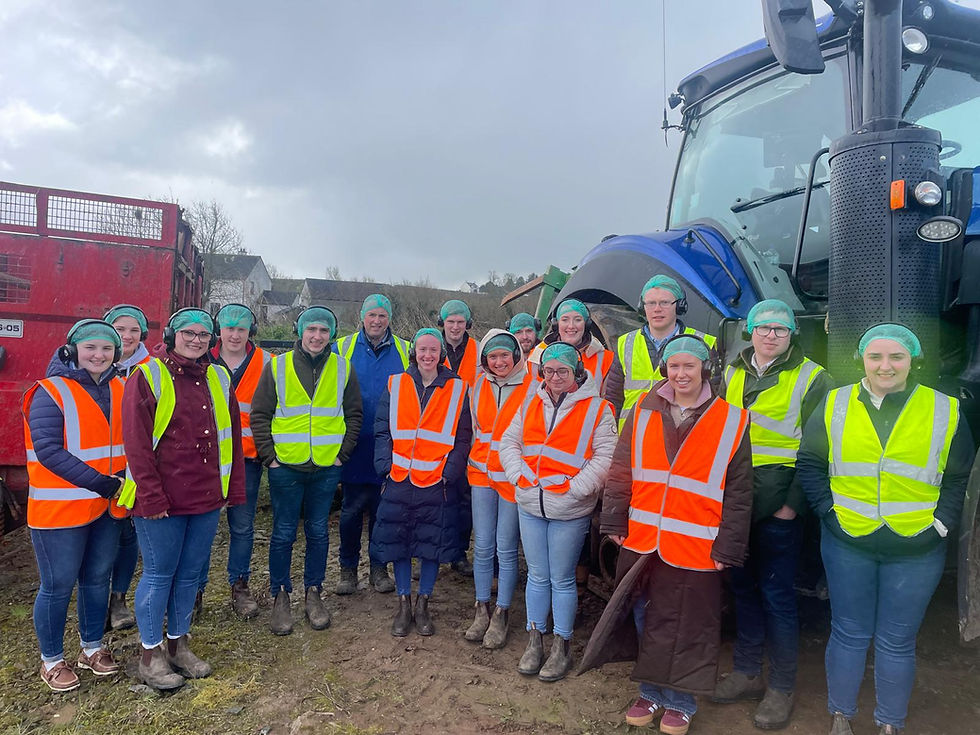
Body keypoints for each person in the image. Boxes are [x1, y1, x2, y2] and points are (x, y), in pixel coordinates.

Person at [796, 324, 973, 735]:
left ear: (913, 360)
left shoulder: (944, 408)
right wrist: (828, 512)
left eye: (896, 357)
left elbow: (959, 475)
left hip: (917, 546)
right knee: (849, 632)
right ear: (862, 359)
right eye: (876, 356)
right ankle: (842, 715)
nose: (885, 365)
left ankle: (889, 723)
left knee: (897, 641)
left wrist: (942, 524)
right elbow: (810, 462)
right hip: (848, 541)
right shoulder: (834, 403)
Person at [580, 335, 753, 735]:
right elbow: (621, 470)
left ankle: (681, 701)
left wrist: (730, 544)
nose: (680, 374)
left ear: (704, 369)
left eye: (688, 366)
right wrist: (614, 523)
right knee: (644, 615)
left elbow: (740, 490)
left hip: (698, 542)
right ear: (665, 370)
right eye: (674, 367)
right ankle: (650, 691)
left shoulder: (731, 419)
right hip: (643, 538)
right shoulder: (642, 409)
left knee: (690, 624)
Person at [712, 299, 834, 730]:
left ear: (791, 335)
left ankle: (781, 686)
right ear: (750, 331)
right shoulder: (729, 372)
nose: (771, 335)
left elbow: (818, 449)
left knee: (778, 597)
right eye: (763, 328)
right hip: (735, 500)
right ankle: (747, 673)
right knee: (742, 590)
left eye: (780, 330)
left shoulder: (813, 377)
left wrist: (791, 506)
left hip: (779, 502)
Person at [120, 308, 246, 690]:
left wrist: (232, 490)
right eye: (189, 333)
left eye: (204, 335)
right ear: (173, 334)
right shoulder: (147, 376)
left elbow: (232, 441)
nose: (196, 340)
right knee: (159, 575)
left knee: (190, 574)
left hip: (206, 495)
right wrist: (151, 497)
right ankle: (150, 653)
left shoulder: (219, 376)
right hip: (162, 499)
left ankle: (179, 644)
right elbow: (137, 446)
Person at [498, 342, 617, 682]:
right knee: (537, 575)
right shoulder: (531, 400)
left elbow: (605, 458)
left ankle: (561, 644)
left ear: (577, 372)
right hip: (530, 502)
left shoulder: (598, 409)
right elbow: (509, 442)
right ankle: (535, 639)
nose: (555, 377)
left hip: (569, 507)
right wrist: (518, 476)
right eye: (549, 371)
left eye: (562, 371)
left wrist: (575, 488)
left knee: (562, 579)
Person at [23, 319, 127, 691]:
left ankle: (91, 647)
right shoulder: (49, 392)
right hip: (61, 511)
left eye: (107, 349)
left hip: (106, 507)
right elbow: (49, 451)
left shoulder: (121, 386)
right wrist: (104, 484)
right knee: (58, 585)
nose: (99, 355)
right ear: (72, 351)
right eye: (91, 348)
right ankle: (51, 659)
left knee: (97, 580)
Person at [250, 305, 362, 636]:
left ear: (332, 334)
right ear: (300, 331)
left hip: (327, 468)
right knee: (283, 533)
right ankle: (281, 595)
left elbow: (354, 414)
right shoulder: (278, 366)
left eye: (324, 331)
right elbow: (260, 414)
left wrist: (342, 455)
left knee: (318, 531)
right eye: (311, 329)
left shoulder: (343, 368)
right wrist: (269, 457)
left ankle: (314, 592)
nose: (317, 336)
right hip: (285, 467)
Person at [371, 328, 472, 637]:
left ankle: (423, 603)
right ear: (413, 352)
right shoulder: (396, 383)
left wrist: (450, 472)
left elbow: (463, 435)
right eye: (422, 350)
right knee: (400, 544)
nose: (427, 355)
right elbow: (382, 428)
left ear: (441, 354)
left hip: (436, 482)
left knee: (431, 547)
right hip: (399, 478)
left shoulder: (457, 388)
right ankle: (404, 603)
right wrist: (385, 465)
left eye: (433, 350)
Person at [196, 303, 270, 618]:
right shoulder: (200, 359)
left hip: (246, 460)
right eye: (229, 329)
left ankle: (239, 586)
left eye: (241, 329)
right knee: (201, 529)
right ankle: (194, 590)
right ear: (220, 331)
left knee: (242, 527)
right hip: (205, 460)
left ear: (249, 331)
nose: (235, 335)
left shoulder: (267, 363)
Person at [334, 294, 409, 595]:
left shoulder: (405, 349)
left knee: (383, 510)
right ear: (361, 316)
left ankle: (379, 568)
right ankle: (347, 569)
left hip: (390, 445)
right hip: (353, 443)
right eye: (371, 315)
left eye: (382, 315)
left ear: (389, 318)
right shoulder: (342, 347)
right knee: (351, 511)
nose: (376, 321)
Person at [463, 329, 534, 649]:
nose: (500, 361)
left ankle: (502, 612)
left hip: (510, 478)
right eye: (493, 356)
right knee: (483, 546)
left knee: (506, 548)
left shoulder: (532, 386)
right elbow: (477, 428)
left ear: (516, 355)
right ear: (485, 360)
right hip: (480, 473)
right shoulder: (478, 385)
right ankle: (481, 608)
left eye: (505, 355)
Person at [606, 274, 721, 429]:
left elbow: (713, 398)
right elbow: (614, 398)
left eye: (665, 303)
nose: (657, 309)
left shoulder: (703, 343)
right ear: (642, 306)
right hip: (633, 435)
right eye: (651, 303)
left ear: (679, 305)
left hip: (680, 435)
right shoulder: (625, 343)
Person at [104, 303, 152, 631]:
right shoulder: (92, 364)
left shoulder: (152, 368)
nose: (128, 336)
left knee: (126, 535)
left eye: (134, 330)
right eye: (121, 329)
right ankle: (94, 599)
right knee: (98, 536)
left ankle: (118, 599)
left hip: (134, 466)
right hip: (95, 468)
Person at [438, 298, 478, 574]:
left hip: (468, 431)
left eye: (460, 322)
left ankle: (458, 552)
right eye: (450, 322)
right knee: (434, 497)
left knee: (464, 498)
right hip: (436, 432)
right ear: (442, 324)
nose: (455, 327)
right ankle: (431, 551)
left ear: (467, 324)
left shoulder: (478, 350)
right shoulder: (431, 347)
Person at [528, 299, 614, 396]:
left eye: (578, 320)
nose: (571, 326)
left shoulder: (606, 359)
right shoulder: (535, 358)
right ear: (556, 324)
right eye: (565, 320)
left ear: (586, 324)